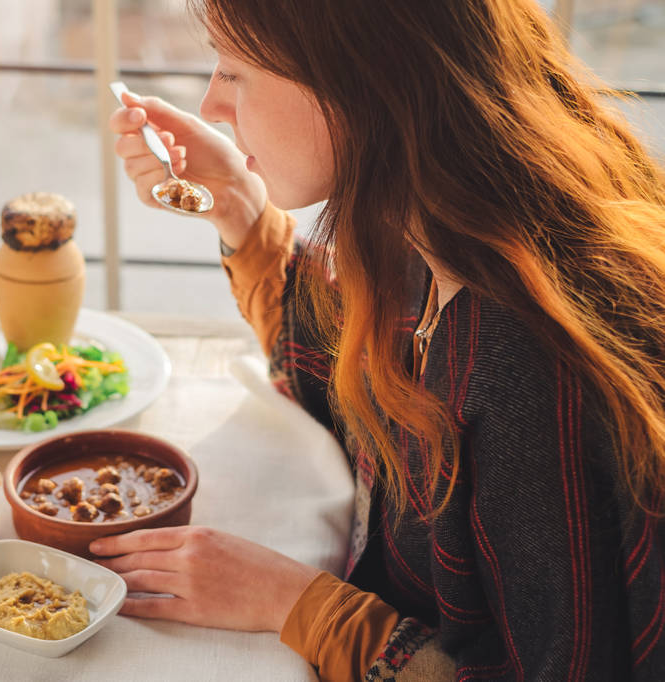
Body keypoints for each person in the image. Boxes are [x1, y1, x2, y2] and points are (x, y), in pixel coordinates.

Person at [89, 1, 665, 680]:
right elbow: (346, 367)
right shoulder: (431, 229)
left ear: (357, 81)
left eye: (233, 70)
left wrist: (300, 606)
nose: (212, 104)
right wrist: (238, 205)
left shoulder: (525, 363)